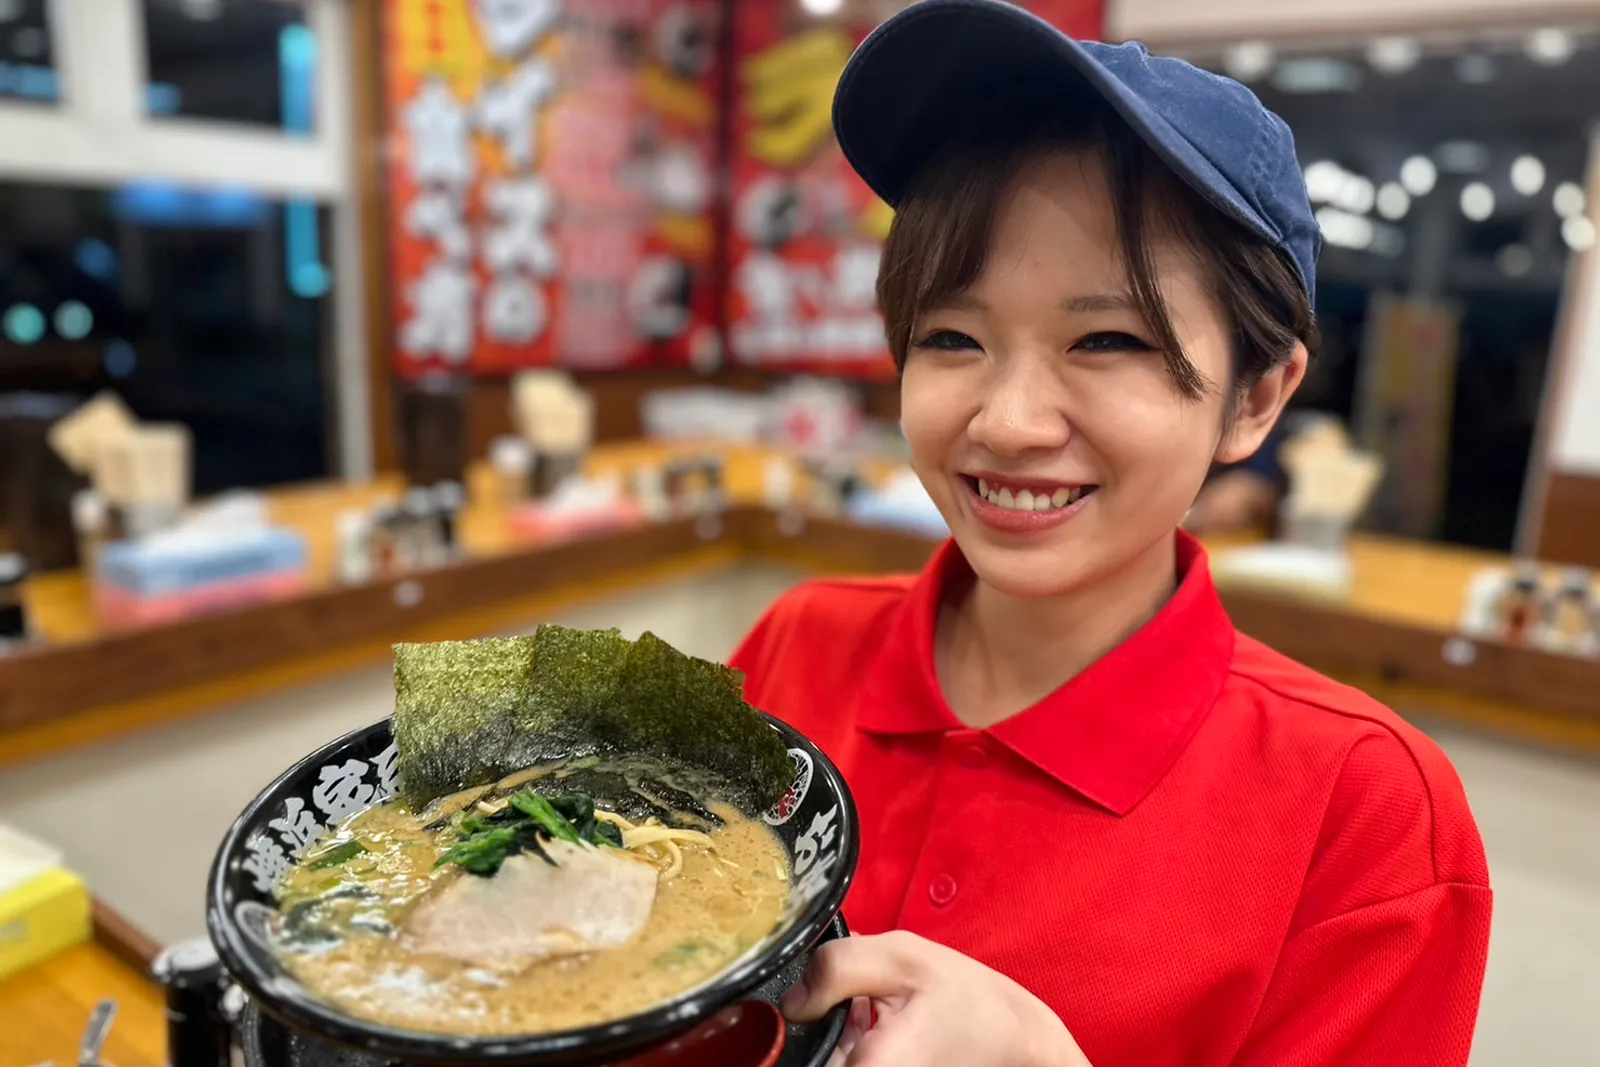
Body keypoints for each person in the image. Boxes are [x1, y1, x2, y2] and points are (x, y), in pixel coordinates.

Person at [729, 3, 1492, 1066]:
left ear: (1255, 397)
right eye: (951, 335)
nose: (1007, 421)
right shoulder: (796, 644)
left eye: (1107, 338)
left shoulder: (1362, 810)